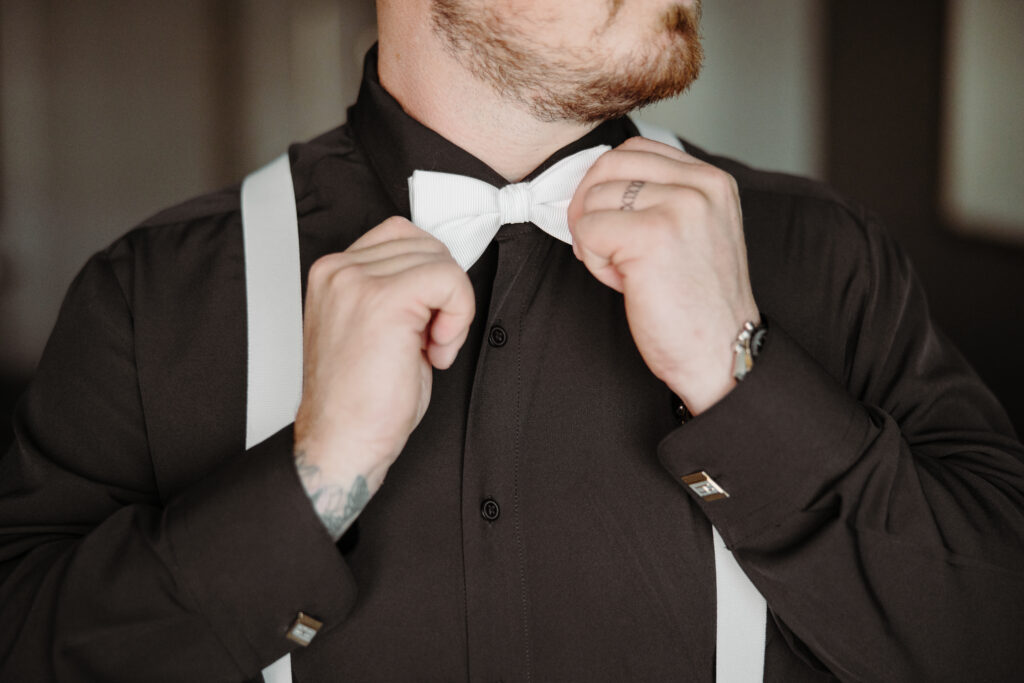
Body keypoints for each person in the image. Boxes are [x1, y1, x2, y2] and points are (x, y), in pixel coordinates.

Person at [1, 0, 1023, 681]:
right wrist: (312, 481)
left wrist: (739, 373)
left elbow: (990, 633)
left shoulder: (828, 254)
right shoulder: (151, 296)